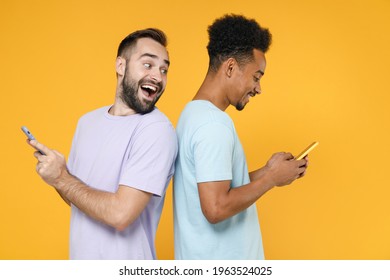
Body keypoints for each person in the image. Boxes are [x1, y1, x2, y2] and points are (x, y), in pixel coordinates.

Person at [28, 28, 178, 259]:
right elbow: (78, 198)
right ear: (121, 66)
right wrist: (55, 173)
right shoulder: (87, 123)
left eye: (164, 69)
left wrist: (61, 177)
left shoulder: (156, 130)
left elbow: (120, 215)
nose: (158, 76)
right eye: (148, 65)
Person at [173, 14, 308, 260]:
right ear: (231, 67)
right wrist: (271, 180)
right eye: (256, 77)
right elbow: (215, 208)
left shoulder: (192, 115)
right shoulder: (214, 125)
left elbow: (215, 184)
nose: (258, 88)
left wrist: (269, 171)